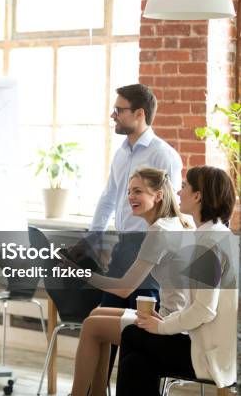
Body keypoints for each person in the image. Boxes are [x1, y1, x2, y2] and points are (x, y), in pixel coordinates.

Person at [78, 83, 183, 379]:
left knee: (137, 333)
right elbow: (109, 196)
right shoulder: (121, 154)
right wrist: (93, 237)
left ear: (139, 114)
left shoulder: (165, 156)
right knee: (100, 327)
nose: (113, 115)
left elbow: (172, 207)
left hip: (152, 247)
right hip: (123, 246)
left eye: (119, 110)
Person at [70, 167, 193, 396]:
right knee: (97, 315)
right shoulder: (180, 222)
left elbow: (125, 288)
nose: (130, 197)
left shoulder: (159, 231)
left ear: (158, 195)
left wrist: (79, 274)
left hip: (171, 326)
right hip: (175, 319)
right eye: (129, 192)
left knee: (91, 326)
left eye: (138, 191)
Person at [117, 166, 238, 395]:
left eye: (184, 187)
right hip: (211, 348)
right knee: (137, 363)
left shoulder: (208, 243)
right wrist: (165, 319)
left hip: (210, 356)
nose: (178, 192)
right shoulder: (216, 234)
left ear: (198, 196)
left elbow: (204, 310)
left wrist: (162, 326)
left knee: (133, 335)